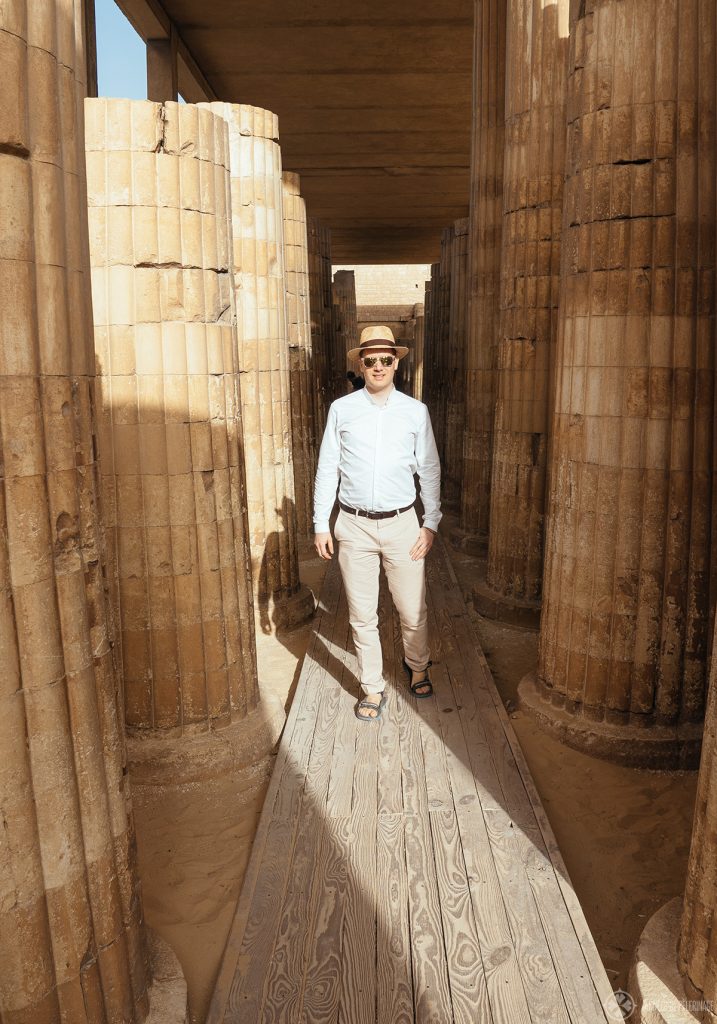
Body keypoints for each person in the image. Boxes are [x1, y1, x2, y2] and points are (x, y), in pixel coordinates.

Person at [313, 325, 442, 721]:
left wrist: (430, 522)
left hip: (404, 523)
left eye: (387, 359)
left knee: (411, 607)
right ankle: (372, 686)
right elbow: (327, 468)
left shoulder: (415, 412)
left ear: (396, 363)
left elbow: (430, 469)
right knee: (362, 613)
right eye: (371, 360)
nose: (379, 366)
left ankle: (416, 664)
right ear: (361, 363)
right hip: (354, 526)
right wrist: (321, 522)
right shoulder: (342, 409)